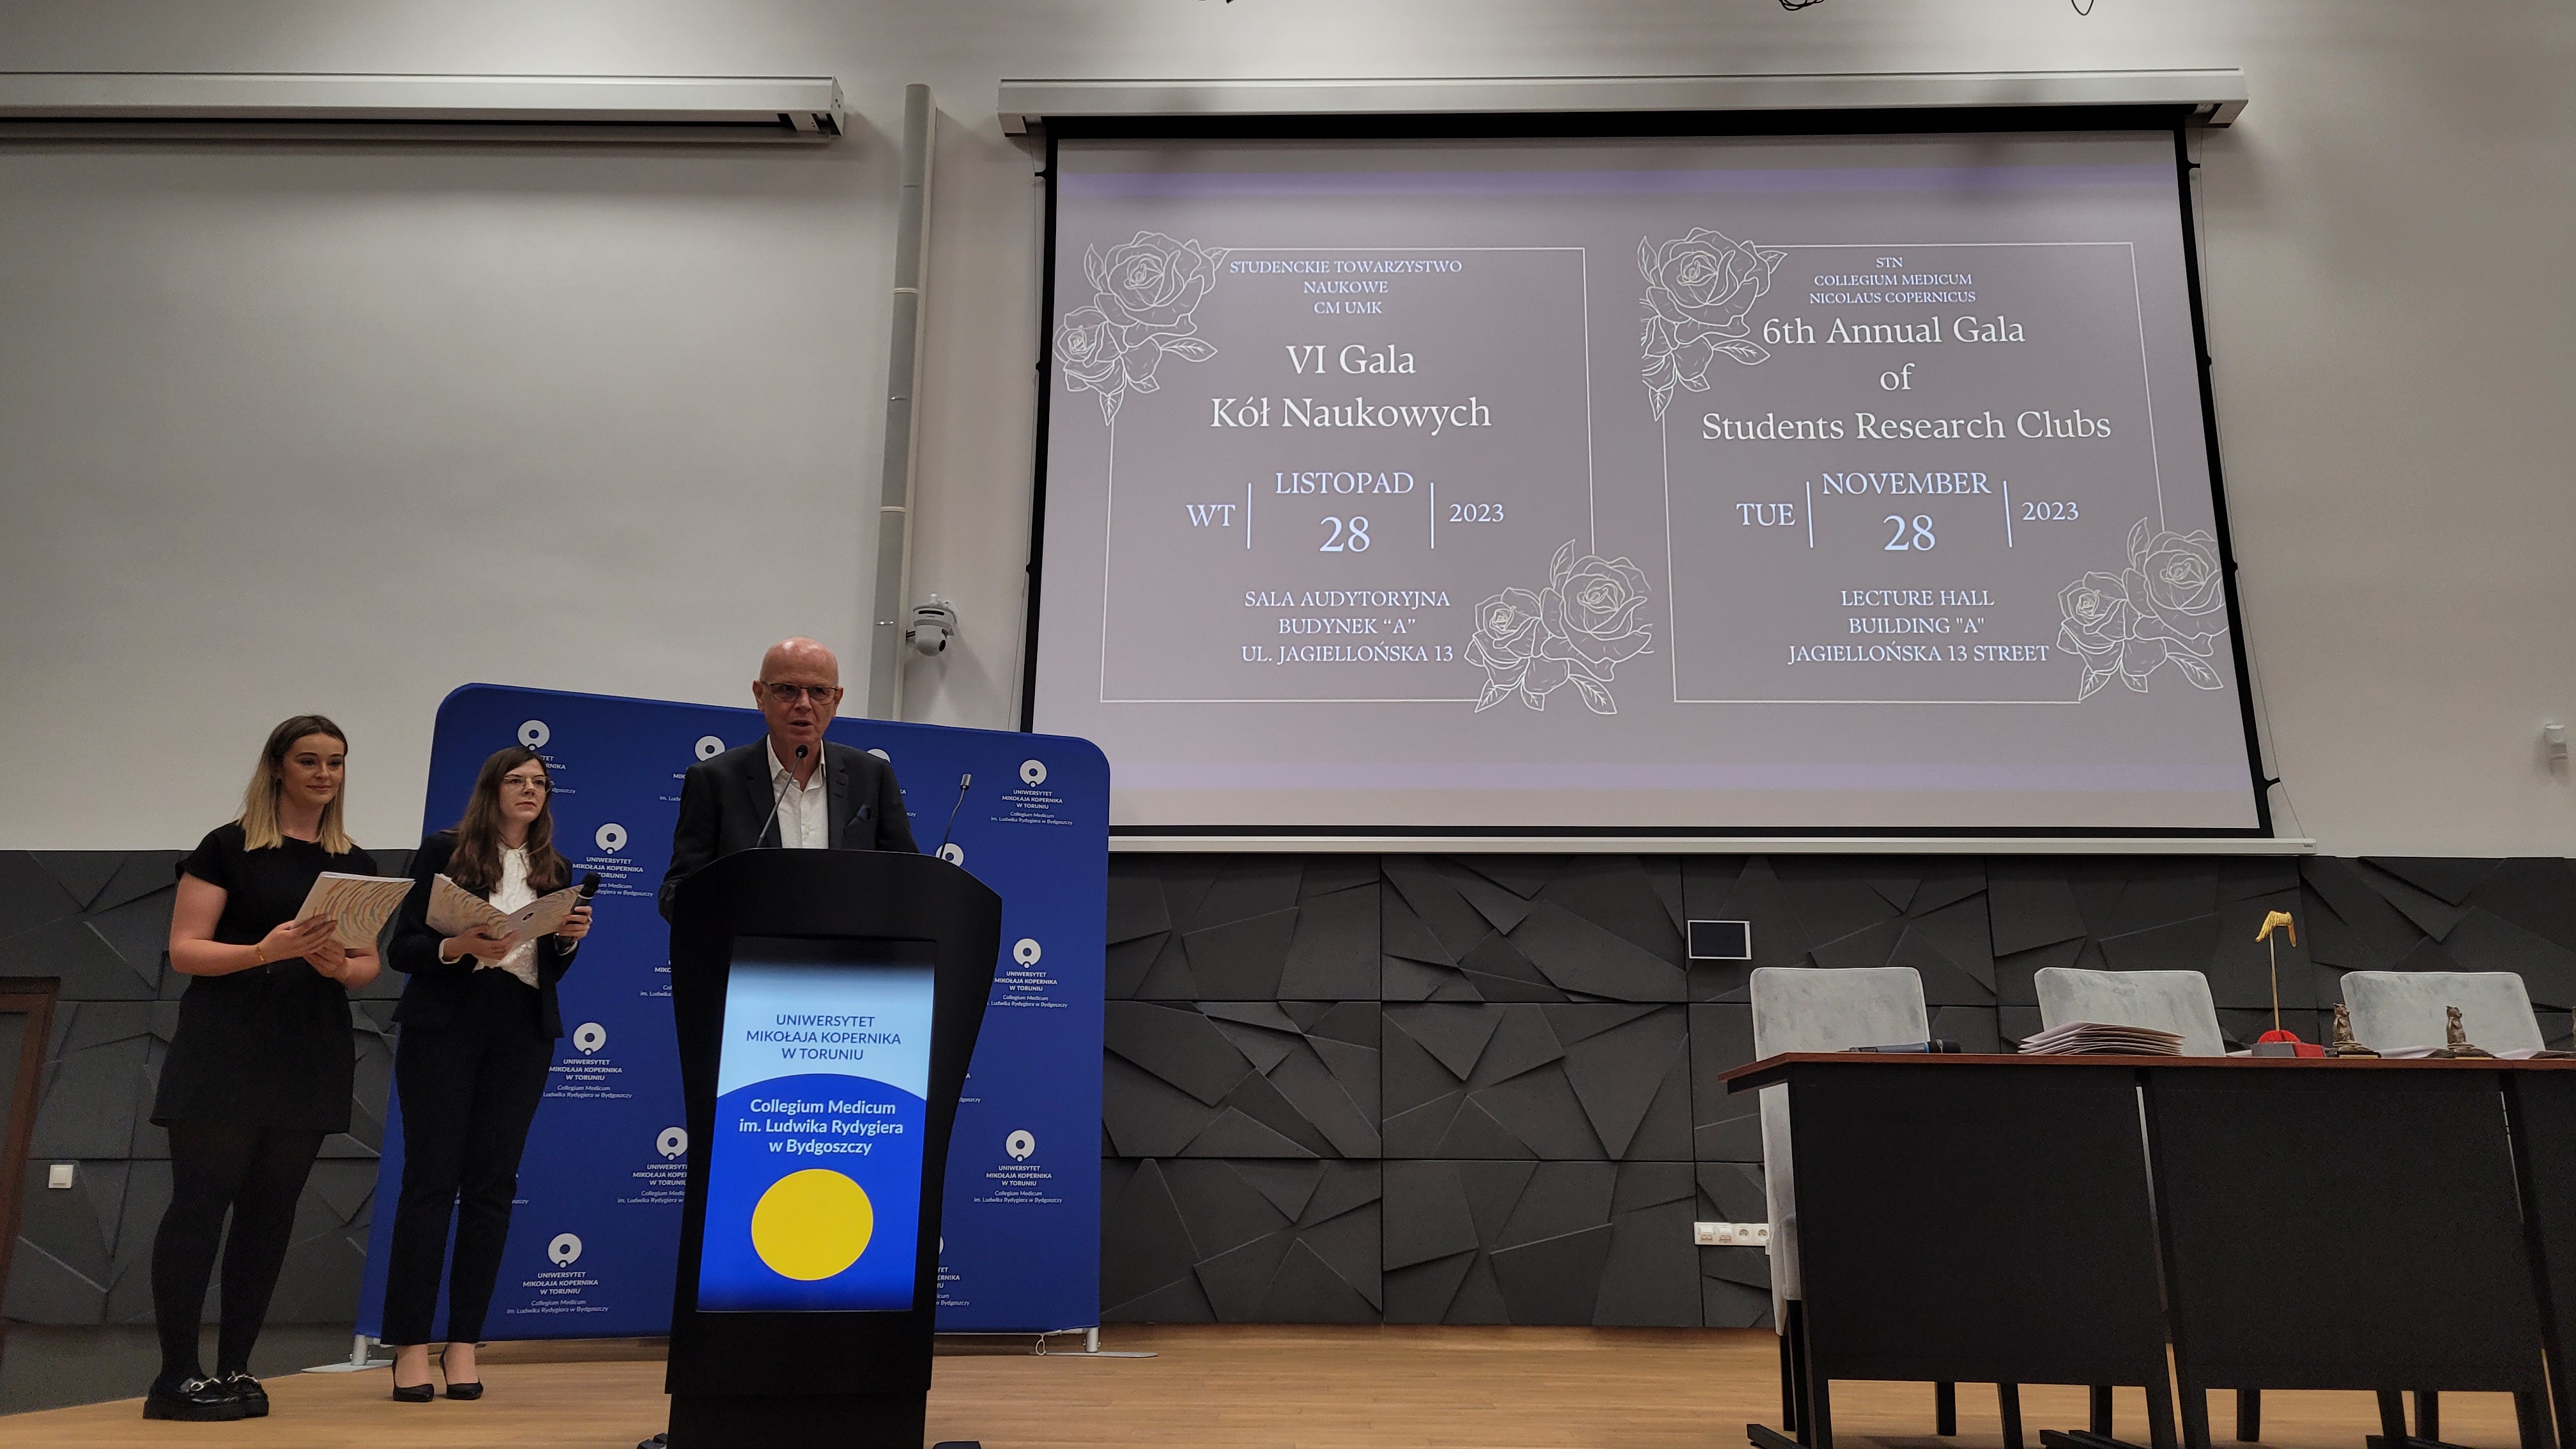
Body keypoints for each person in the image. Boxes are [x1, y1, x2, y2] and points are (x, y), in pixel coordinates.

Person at [150, 716, 383, 1422]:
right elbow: (185, 950)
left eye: (336, 762)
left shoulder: (356, 864)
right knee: (201, 1204)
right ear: (278, 766)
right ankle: (176, 1376)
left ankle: (235, 1367)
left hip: (309, 1046)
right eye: (309, 760)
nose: (324, 774)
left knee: (270, 1214)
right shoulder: (228, 847)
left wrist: (339, 966)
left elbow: (366, 965)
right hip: (226, 1043)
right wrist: (264, 950)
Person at [380, 746, 594, 1402]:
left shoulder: (555, 868)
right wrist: (460, 945)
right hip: (446, 1024)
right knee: (430, 1182)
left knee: (493, 1187)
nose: (530, 790)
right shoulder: (445, 852)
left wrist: (568, 939)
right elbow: (403, 949)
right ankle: (409, 1345)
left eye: (540, 783)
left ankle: (465, 1343)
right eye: (517, 780)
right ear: (491, 789)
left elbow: (548, 969)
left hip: (521, 1030)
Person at [657, 636, 917, 919]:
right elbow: (676, 894)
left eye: (819, 691)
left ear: (836, 700)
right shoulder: (715, 780)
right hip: (750, 944)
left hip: (846, 945)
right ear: (760, 695)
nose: (804, 704)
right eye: (787, 690)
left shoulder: (872, 776)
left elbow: (908, 880)